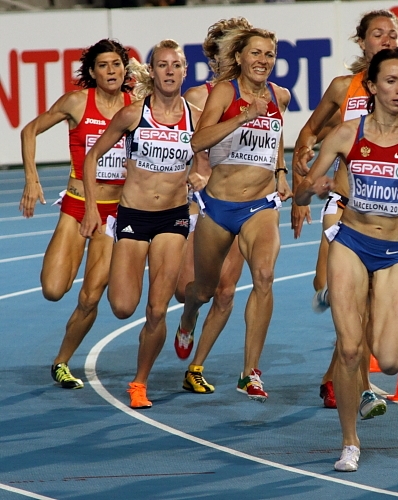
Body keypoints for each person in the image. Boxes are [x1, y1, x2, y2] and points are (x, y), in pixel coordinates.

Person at [292, 9, 398, 414]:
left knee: (364, 305)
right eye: (377, 34)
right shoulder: (342, 88)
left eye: (392, 34)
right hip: (342, 200)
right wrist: (306, 164)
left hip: (394, 212)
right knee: (325, 282)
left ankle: (354, 381)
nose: (386, 39)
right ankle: (350, 364)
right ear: (362, 41)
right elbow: (310, 132)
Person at [81, 39, 203, 409]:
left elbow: (212, 160)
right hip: (133, 217)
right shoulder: (133, 114)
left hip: (173, 218)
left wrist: (203, 174)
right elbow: (92, 158)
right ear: (152, 71)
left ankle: (140, 382)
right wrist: (90, 208)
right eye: (162, 65)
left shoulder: (197, 116)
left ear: (184, 71)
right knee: (122, 306)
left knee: (155, 309)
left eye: (176, 65)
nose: (169, 71)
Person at [177, 26, 292, 403]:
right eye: (256, 54)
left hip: (260, 205)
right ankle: (189, 316)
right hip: (218, 205)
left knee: (263, 276)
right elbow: (198, 140)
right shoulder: (225, 92)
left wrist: (280, 172)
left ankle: (250, 372)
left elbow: (275, 140)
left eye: (269, 55)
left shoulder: (280, 95)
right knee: (204, 290)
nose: (263, 61)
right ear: (240, 58)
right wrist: (243, 116)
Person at [19, 39, 132, 390]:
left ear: (125, 68)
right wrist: (31, 179)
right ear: (92, 71)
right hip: (78, 204)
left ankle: (62, 362)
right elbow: (30, 130)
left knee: (91, 295)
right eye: (103, 65)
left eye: (116, 64)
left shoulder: (137, 105)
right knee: (54, 289)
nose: (111, 71)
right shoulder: (77, 102)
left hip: (114, 212)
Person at [174, 17, 252, 395]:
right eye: (224, 51)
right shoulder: (195, 98)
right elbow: (182, 149)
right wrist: (193, 172)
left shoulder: (261, 95)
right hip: (200, 204)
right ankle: (188, 318)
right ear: (214, 55)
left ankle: (196, 366)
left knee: (226, 291)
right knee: (192, 290)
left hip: (240, 201)